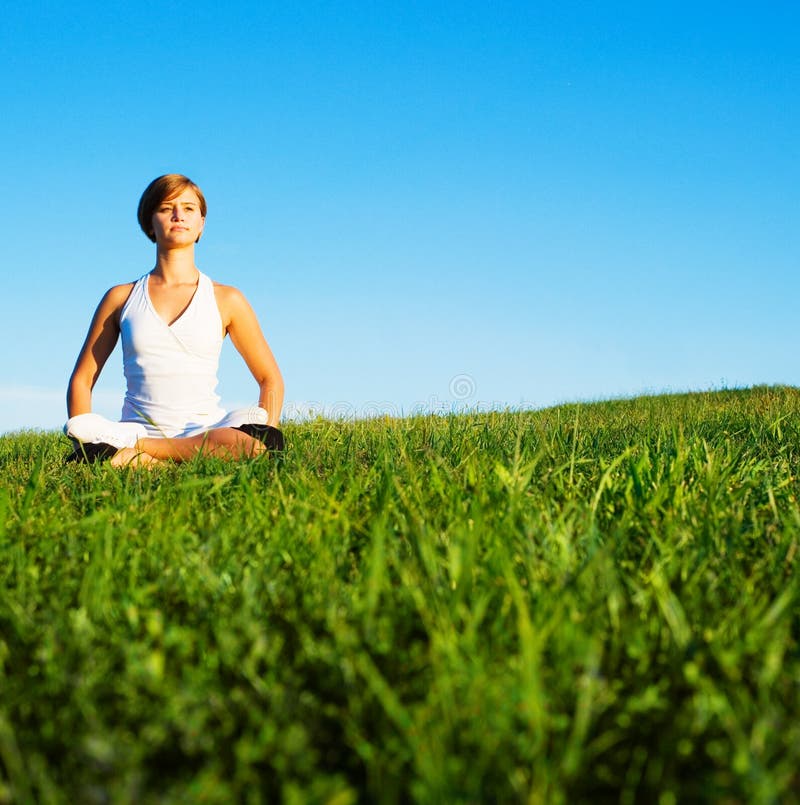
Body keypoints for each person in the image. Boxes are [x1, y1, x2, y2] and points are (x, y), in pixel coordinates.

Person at [65, 174, 284, 467]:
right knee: (93, 454)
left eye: (189, 208)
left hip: (206, 430)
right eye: (166, 208)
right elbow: (82, 379)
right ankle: (165, 457)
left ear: (201, 224)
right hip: (135, 427)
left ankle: (141, 455)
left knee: (255, 446)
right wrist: (84, 437)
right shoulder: (120, 297)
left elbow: (270, 378)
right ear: (149, 223)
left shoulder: (227, 298)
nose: (178, 215)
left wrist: (266, 430)